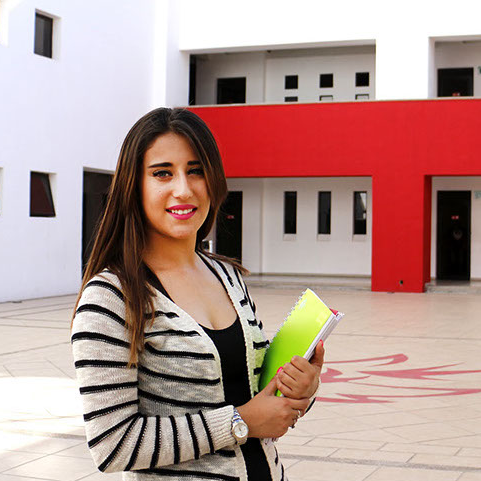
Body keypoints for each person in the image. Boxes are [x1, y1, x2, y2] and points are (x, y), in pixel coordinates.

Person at [71, 107, 325, 480]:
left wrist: (302, 389)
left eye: (196, 171)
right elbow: (112, 444)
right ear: (134, 186)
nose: (184, 189)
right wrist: (239, 422)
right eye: (162, 173)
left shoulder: (229, 277)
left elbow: (259, 396)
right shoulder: (111, 298)